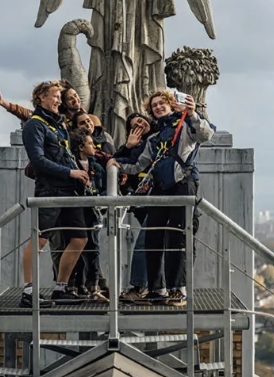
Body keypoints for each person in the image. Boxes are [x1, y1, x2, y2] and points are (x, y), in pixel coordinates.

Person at [117, 90, 213, 306]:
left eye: (162, 104)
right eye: (154, 106)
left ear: (171, 105)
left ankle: (178, 289)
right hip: (160, 188)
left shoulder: (185, 126)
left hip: (182, 185)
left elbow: (205, 135)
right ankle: (156, 288)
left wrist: (192, 114)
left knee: (176, 237)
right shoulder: (153, 138)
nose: (158, 107)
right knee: (153, 237)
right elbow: (139, 165)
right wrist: (117, 164)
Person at [20, 80, 90, 307]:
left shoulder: (58, 125)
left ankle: (61, 288)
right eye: (55, 96)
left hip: (69, 191)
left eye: (60, 97)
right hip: (50, 189)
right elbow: (38, 161)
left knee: (80, 238)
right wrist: (71, 172)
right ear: (41, 97)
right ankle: (29, 292)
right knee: (39, 237)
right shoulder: (35, 125)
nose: (59, 100)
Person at [114, 112, 153, 301]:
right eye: (135, 125)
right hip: (140, 201)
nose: (140, 124)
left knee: (145, 241)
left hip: (156, 197)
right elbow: (116, 162)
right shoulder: (133, 148)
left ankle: (140, 287)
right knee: (150, 242)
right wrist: (128, 146)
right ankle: (147, 287)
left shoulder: (156, 139)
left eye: (142, 120)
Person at [69, 128, 107, 302]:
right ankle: (75, 285)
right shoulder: (70, 165)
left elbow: (104, 187)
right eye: (90, 143)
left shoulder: (97, 167)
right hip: (76, 212)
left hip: (93, 212)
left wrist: (102, 201)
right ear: (81, 147)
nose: (94, 146)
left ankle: (94, 287)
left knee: (93, 249)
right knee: (76, 248)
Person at [0, 81, 84, 128]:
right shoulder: (54, 119)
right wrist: (3, 102)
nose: (75, 100)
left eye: (75, 95)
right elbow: (24, 112)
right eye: (70, 98)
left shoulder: (87, 117)